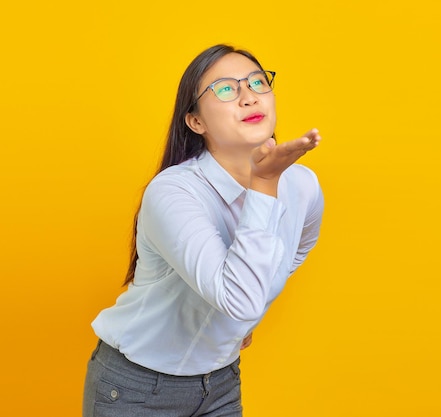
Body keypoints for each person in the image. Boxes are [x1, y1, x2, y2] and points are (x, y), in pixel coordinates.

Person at [82, 44, 324, 417]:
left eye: (257, 82)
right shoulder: (173, 192)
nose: (247, 97)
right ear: (196, 122)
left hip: (221, 381)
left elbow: (292, 254)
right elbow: (239, 300)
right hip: (136, 388)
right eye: (226, 89)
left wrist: (245, 319)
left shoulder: (303, 185)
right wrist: (263, 186)